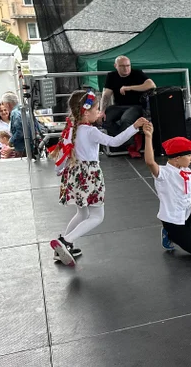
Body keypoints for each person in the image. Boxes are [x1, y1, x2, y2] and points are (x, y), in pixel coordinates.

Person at [50, 89, 149, 265]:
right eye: (97, 109)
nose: (100, 112)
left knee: (82, 213)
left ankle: (63, 246)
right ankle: (65, 241)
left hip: (75, 174)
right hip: (89, 175)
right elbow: (115, 142)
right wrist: (134, 127)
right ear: (86, 112)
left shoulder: (71, 127)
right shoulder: (90, 131)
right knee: (97, 216)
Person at [100, 55, 155, 136]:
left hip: (136, 106)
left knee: (125, 119)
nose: (126, 68)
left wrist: (130, 88)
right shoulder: (111, 76)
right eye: (122, 66)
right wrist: (101, 111)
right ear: (116, 66)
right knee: (103, 119)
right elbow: (106, 95)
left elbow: (152, 85)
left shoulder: (137, 73)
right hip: (118, 106)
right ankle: (122, 140)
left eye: (128, 65)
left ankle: (125, 143)